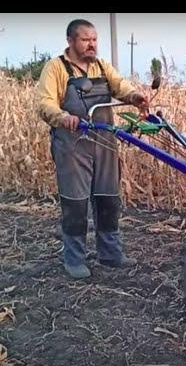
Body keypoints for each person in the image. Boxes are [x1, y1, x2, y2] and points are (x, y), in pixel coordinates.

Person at [36, 19, 149, 279]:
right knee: (75, 202)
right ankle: (74, 259)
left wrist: (134, 97)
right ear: (71, 41)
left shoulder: (101, 66)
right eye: (86, 39)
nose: (92, 45)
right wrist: (63, 117)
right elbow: (44, 103)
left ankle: (110, 253)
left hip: (105, 141)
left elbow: (119, 86)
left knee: (108, 197)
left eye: (95, 40)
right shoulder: (56, 68)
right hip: (73, 144)